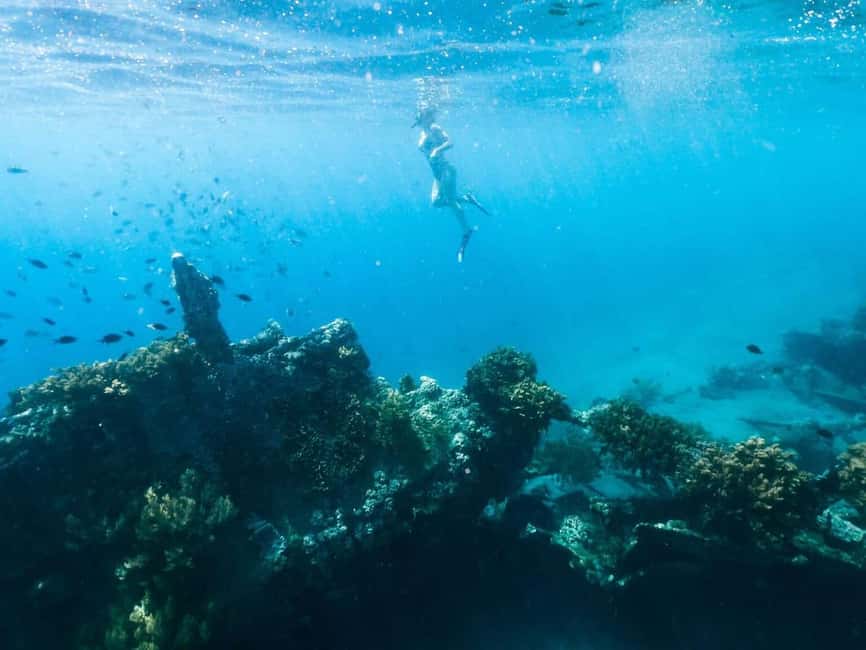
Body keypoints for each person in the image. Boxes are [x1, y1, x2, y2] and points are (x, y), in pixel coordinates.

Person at [413, 107, 489, 263]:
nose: (419, 116)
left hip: (446, 171)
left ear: (427, 115)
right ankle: (467, 198)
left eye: (422, 114)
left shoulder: (434, 128)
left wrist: (437, 150)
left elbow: (450, 142)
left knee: (451, 200)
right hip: (437, 174)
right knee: (436, 202)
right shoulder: (423, 132)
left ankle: (466, 231)